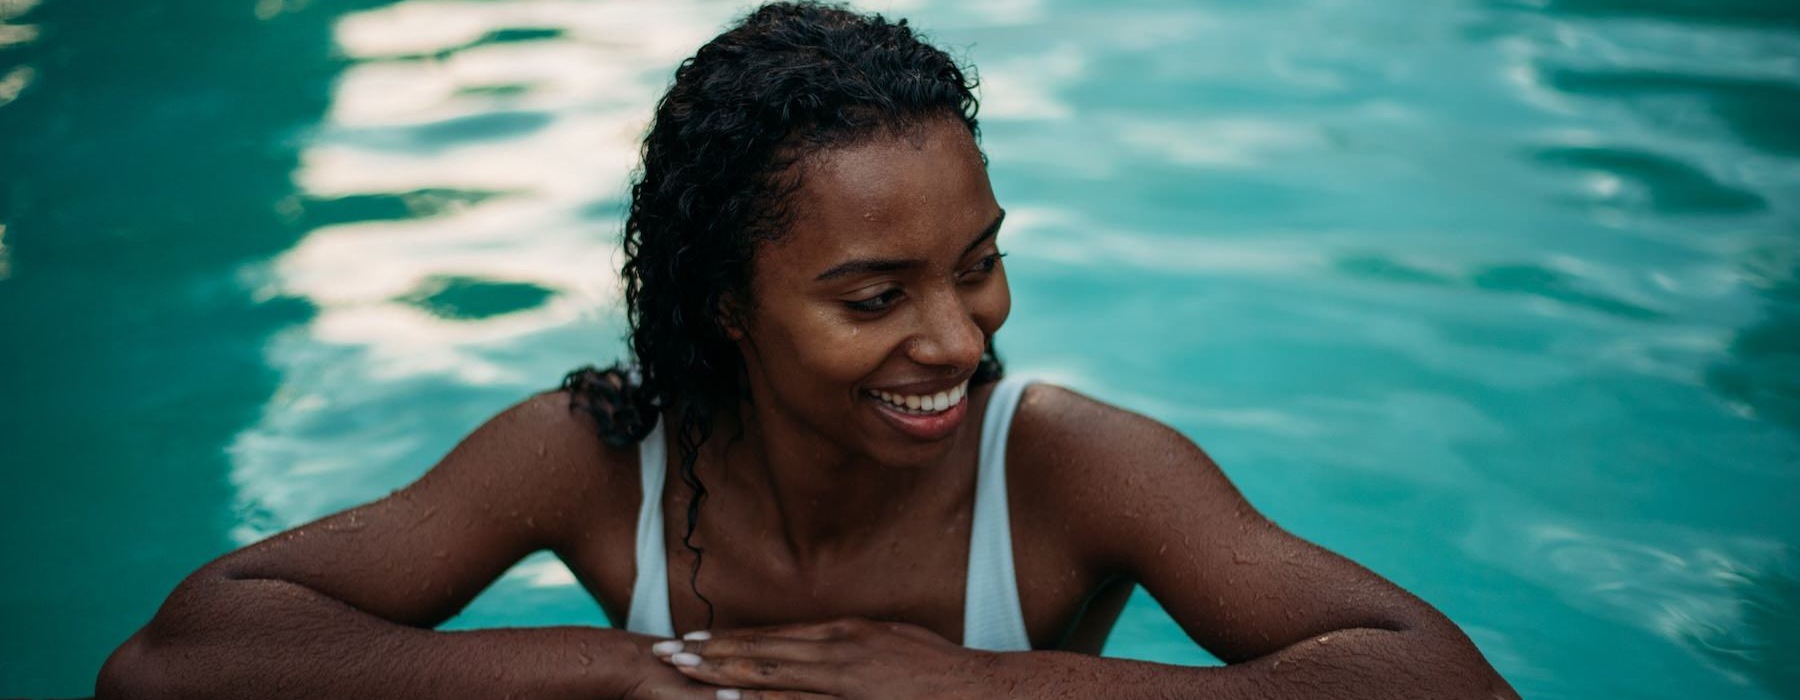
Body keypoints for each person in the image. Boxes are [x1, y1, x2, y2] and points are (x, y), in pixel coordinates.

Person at [97, 3, 1518, 698]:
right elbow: (176, 660)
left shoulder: (1073, 470)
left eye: (980, 265)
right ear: (727, 303)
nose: (959, 340)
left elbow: (1444, 686)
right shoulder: (595, 458)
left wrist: (980, 687)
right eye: (874, 295)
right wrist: (653, 674)